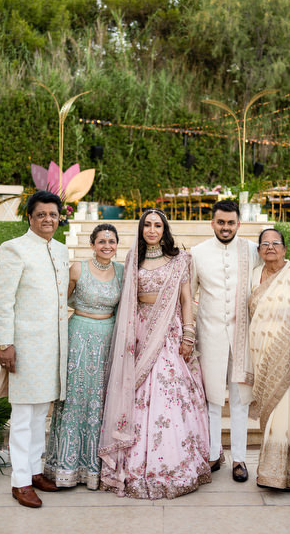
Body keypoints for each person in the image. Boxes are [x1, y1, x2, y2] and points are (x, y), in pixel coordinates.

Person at [98, 208, 211, 499]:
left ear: (164, 229)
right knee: (137, 396)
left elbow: (186, 298)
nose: (151, 229)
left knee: (170, 394)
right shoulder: (132, 258)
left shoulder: (179, 260)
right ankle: (134, 464)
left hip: (170, 332)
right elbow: (128, 302)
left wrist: (188, 333)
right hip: (139, 332)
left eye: (157, 225)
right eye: (147, 224)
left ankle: (175, 463)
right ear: (141, 228)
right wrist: (129, 338)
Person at [0, 191, 69, 508]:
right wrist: (5, 343)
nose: (48, 219)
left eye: (53, 214)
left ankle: (35, 470)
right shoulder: (14, 249)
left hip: (53, 347)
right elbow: (3, 301)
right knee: (23, 415)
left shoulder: (61, 251)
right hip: (23, 347)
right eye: (41, 214)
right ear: (29, 217)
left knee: (41, 414)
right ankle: (20, 481)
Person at [44, 224, 124, 490]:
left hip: (108, 339)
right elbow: (58, 303)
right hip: (79, 335)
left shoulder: (122, 272)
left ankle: (96, 469)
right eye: (101, 241)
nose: (107, 246)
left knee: (101, 401)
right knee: (77, 397)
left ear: (116, 244)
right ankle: (66, 466)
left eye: (111, 241)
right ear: (92, 244)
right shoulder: (77, 268)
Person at [190, 200, 259, 482]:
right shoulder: (197, 253)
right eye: (221, 222)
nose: (226, 227)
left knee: (240, 400)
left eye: (231, 223)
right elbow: (188, 296)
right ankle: (213, 454)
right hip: (210, 336)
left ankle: (240, 459)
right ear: (212, 223)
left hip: (244, 337)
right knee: (213, 399)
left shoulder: (253, 251)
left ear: (239, 224)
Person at [249, 228, 290, 490]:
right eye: (264, 244)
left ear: (285, 249)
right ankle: (272, 472)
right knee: (271, 411)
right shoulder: (255, 275)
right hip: (261, 355)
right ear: (258, 251)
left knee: (289, 410)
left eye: (276, 243)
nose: (270, 247)